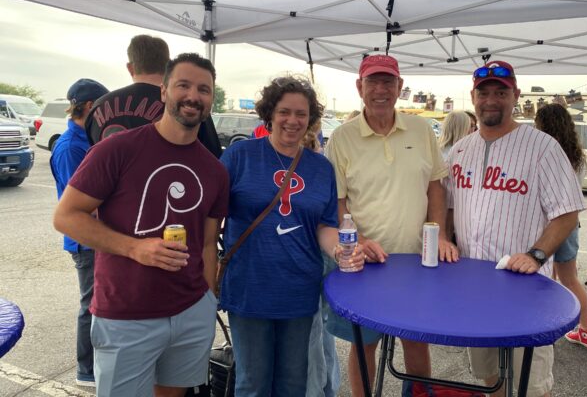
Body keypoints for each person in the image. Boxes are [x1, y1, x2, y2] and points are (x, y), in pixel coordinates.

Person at [53, 53, 229, 397]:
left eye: (203, 89)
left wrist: (206, 301)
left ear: (210, 99)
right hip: (126, 313)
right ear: (163, 91)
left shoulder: (215, 169)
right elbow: (66, 216)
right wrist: (135, 247)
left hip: (191, 311)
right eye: (183, 85)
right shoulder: (116, 150)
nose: (193, 96)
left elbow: (209, 243)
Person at [442, 60, 585, 397]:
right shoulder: (461, 149)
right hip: (473, 284)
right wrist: (445, 239)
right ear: (473, 97)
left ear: (515, 95)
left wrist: (537, 254)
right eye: (484, 92)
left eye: (500, 92)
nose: (491, 100)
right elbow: (448, 206)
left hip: (524, 287)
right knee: (489, 375)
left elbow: (567, 213)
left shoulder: (543, 147)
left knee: (530, 385)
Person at [218, 75, 363, 397]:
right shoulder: (240, 156)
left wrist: (338, 250)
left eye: (301, 114)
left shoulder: (320, 168)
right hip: (249, 288)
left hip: (299, 290)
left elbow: (325, 225)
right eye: (285, 112)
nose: (293, 121)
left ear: (310, 119)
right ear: (269, 113)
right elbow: (212, 217)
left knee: (293, 383)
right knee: (252, 383)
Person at [325, 54, 458, 397]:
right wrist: (360, 240)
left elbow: (435, 186)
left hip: (416, 261)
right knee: (364, 345)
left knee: (416, 343)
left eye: (388, 82)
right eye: (373, 82)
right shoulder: (342, 137)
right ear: (360, 87)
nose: (381, 90)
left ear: (399, 87)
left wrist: (441, 233)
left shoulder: (421, 129)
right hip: (365, 263)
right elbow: (338, 202)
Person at [49, 78, 109, 388]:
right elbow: (84, 202)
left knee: (100, 301)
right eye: (101, 107)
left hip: (95, 237)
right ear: (89, 107)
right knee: (91, 304)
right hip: (85, 240)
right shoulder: (71, 147)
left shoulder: (86, 140)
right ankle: (86, 370)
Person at [85, 34, 222, 158]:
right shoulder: (189, 107)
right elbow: (212, 155)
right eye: (183, 85)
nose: (192, 95)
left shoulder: (98, 106)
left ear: (130, 68)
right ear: (168, 66)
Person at [535, 103, 587, 349]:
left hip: (546, 224)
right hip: (570, 224)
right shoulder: (577, 156)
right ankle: (586, 330)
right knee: (569, 279)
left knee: (544, 279)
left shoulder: (545, 152)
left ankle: (544, 326)